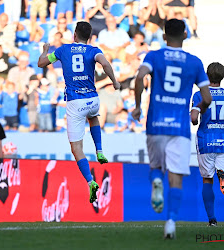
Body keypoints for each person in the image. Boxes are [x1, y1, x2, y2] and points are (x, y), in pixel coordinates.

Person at [132, 19, 212, 239]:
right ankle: (170, 222)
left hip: (155, 123)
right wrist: (196, 109)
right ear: (185, 35)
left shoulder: (154, 56)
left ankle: (156, 180)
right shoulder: (194, 62)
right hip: (179, 127)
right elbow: (207, 97)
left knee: (156, 167)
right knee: (176, 176)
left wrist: (138, 107)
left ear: (164, 37)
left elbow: (140, 78)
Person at [38, 21, 120, 203]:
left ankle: (90, 182)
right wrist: (114, 81)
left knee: (76, 149)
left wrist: (45, 50)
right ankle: (99, 150)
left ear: (74, 35)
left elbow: (41, 63)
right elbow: (105, 64)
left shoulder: (63, 50)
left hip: (75, 102)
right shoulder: (93, 50)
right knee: (93, 117)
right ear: (89, 37)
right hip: (93, 100)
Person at [191, 62, 224, 227]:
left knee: (207, 180)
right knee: (222, 175)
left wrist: (197, 114)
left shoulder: (199, 95)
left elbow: (194, 119)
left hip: (206, 141)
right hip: (223, 141)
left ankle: (212, 220)